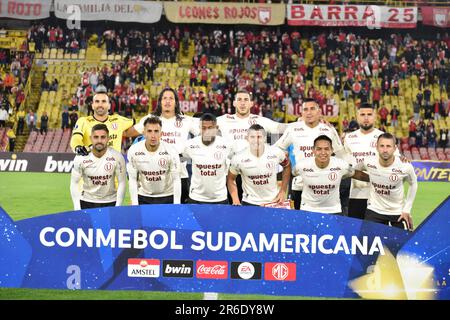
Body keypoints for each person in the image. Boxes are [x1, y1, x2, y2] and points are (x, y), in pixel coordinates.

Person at [129, 87, 200, 204]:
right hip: (153, 173)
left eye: (171, 98)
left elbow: (207, 131)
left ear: (176, 102)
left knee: (177, 215)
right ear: (160, 101)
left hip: (180, 173)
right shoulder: (150, 119)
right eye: (164, 98)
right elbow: (128, 133)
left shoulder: (186, 120)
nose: (167, 101)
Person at [275, 98, 345, 210]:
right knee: (299, 223)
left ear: (319, 111)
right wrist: (285, 159)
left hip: (324, 187)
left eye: (312, 109)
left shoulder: (329, 129)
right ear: (301, 113)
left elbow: (340, 154)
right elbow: (278, 149)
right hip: (299, 185)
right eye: (305, 109)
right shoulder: (293, 129)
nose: (309, 112)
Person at [343, 103, 403, 220]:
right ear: (357, 116)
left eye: (369, 114)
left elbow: (396, 163)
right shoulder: (349, 138)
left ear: (375, 116)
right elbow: (346, 165)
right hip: (355, 195)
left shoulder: (384, 137)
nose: (366, 118)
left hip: (380, 197)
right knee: (355, 233)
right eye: (363, 114)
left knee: (377, 233)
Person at [292, 135, 369, 215]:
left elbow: (357, 174)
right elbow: (292, 174)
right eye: (319, 149)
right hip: (308, 209)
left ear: (332, 150)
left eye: (326, 149)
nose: (323, 152)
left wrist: (374, 179)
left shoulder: (341, 165)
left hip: (333, 211)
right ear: (313, 150)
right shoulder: (302, 165)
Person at [355, 133, 418, 230]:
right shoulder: (368, 162)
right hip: (374, 210)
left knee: (403, 244)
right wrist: (368, 178)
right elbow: (355, 170)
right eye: (382, 146)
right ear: (376, 147)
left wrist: (406, 210)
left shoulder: (405, 166)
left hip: (398, 212)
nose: (385, 150)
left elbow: (413, 183)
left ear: (395, 148)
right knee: (365, 242)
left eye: (388, 146)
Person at [227, 124, 291, 206]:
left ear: (264, 138)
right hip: (249, 202)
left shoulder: (276, 153)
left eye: (259, 137)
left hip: (273, 201)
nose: (256, 140)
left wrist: (283, 191)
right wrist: (235, 199)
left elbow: (287, 166)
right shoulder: (238, 158)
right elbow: (230, 179)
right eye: (252, 137)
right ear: (247, 138)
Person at [70, 124, 126, 210]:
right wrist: (77, 207)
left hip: (110, 202)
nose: (99, 140)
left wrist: (118, 207)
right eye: (96, 137)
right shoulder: (80, 158)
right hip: (86, 202)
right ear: (90, 138)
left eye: (103, 137)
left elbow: (122, 182)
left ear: (108, 138)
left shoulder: (117, 157)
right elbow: (74, 183)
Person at [127, 116, 182, 205]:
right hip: (143, 197)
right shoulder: (134, 150)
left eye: (156, 131)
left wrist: (176, 204)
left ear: (161, 134)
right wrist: (134, 202)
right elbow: (132, 179)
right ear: (144, 133)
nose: (153, 135)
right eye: (149, 131)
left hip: (167, 196)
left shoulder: (171, 151)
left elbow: (176, 179)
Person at [70, 86, 135, 155]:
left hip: (114, 164)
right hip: (91, 164)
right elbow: (76, 138)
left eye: (103, 101)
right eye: (97, 101)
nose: (100, 105)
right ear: (92, 105)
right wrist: (78, 147)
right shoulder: (83, 121)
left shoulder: (118, 120)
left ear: (109, 105)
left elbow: (139, 124)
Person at [182, 113, 231, 204]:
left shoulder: (226, 145)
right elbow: (176, 156)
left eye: (210, 128)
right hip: (196, 198)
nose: (207, 131)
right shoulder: (190, 145)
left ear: (216, 128)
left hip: (220, 199)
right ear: (200, 128)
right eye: (203, 128)